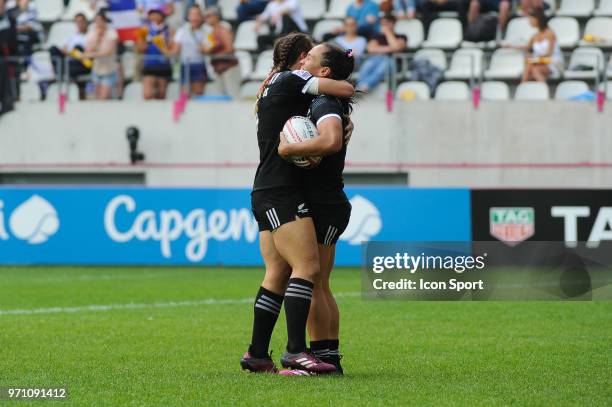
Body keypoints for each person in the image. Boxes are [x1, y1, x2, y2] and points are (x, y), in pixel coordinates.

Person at [240, 32, 354, 375]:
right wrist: (296, 147)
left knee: (278, 272)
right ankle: (296, 352)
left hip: (268, 188)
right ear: (302, 56)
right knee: (309, 270)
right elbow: (344, 91)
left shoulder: (277, 83)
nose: (308, 62)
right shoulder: (296, 81)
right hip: (282, 190)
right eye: (308, 55)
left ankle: (257, 355)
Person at [278, 43, 356, 374]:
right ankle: (328, 356)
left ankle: (321, 357)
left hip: (325, 202)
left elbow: (331, 140)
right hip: (329, 201)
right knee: (320, 282)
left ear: (323, 71)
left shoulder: (324, 102)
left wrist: (289, 148)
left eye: (310, 57)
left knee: (313, 282)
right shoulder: (324, 100)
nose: (304, 59)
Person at [356, 14, 407, 92]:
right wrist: (390, 49)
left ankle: (364, 86)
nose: (384, 26)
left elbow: (397, 47)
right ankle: (360, 86)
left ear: (393, 23)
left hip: (392, 62)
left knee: (383, 65)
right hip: (377, 59)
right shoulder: (377, 37)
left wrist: (388, 33)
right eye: (382, 24)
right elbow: (370, 49)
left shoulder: (401, 36)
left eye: (386, 23)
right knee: (367, 64)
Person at [202, 7, 240, 98]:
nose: (206, 18)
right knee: (221, 97)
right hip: (218, 68)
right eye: (205, 16)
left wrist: (216, 54)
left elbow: (230, 49)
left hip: (229, 67)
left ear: (216, 17)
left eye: (208, 16)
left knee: (233, 95)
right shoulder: (211, 33)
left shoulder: (223, 30)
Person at [171, 4, 208, 96]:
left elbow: (207, 49)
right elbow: (175, 50)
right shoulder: (181, 31)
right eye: (192, 14)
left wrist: (204, 49)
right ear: (188, 16)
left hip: (199, 65)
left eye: (197, 14)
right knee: (184, 94)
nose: (194, 17)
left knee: (198, 93)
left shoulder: (206, 31)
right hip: (185, 65)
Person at [517, 8, 562, 82]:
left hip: (553, 62)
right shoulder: (534, 35)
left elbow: (549, 54)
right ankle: (526, 87)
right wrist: (510, 46)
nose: (529, 21)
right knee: (531, 67)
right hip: (540, 62)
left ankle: (525, 86)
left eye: (531, 19)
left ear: (537, 19)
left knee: (532, 67)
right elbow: (527, 47)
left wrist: (535, 59)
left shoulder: (550, 33)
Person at [137, 8, 173, 99]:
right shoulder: (145, 30)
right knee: (148, 94)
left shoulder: (168, 30)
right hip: (150, 64)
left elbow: (171, 48)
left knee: (161, 94)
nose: (153, 16)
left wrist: (161, 44)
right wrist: (143, 39)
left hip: (164, 64)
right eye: (151, 14)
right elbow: (140, 49)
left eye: (156, 14)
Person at [84, 11, 119, 99]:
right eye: (96, 21)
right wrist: (97, 38)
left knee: (104, 97)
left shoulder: (112, 33)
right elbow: (88, 50)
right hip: (96, 70)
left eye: (100, 21)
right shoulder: (92, 34)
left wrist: (93, 54)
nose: (98, 23)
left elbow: (108, 52)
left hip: (109, 70)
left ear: (105, 22)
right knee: (95, 97)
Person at [49, 13, 91, 80]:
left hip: (82, 62)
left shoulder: (90, 36)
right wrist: (69, 52)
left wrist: (73, 52)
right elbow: (64, 49)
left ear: (86, 22)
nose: (79, 24)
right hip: (69, 60)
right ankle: (59, 71)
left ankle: (66, 70)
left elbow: (88, 52)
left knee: (78, 47)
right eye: (77, 22)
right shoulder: (72, 37)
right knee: (53, 48)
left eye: (81, 21)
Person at [0, 0, 18, 113]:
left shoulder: (10, 21)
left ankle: (4, 101)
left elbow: (11, 44)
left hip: (4, 56)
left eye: (2, 5)